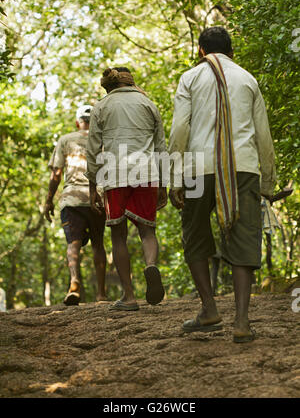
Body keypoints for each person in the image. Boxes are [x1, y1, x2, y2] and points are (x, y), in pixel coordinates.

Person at [169, 26, 276, 342]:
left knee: (195, 233)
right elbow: (263, 134)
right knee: (244, 238)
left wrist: (174, 178)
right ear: (232, 52)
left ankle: (210, 308)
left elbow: (179, 130)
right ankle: (242, 322)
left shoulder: (190, 78)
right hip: (242, 167)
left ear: (200, 51)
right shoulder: (247, 79)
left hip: (198, 170)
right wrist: (268, 180)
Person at [85, 67, 167, 311]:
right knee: (147, 231)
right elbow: (161, 146)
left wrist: (92, 186)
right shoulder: (148, 103)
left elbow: (92, 150)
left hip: (115, 173)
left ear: (108, 86)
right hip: (146, 173)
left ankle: (129, 297)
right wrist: (163, 182)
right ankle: (150, 264)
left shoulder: (102, 106)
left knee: (118, 234)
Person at [44, 105, 107, 306]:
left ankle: (74, 282)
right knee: (98, 243)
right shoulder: (102, 141)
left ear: (77, 122)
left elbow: (56, 174)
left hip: (71, 199)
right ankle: (101, 294)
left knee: (73, 242)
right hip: (97, 198)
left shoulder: (65, 140)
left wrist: (48, 201)